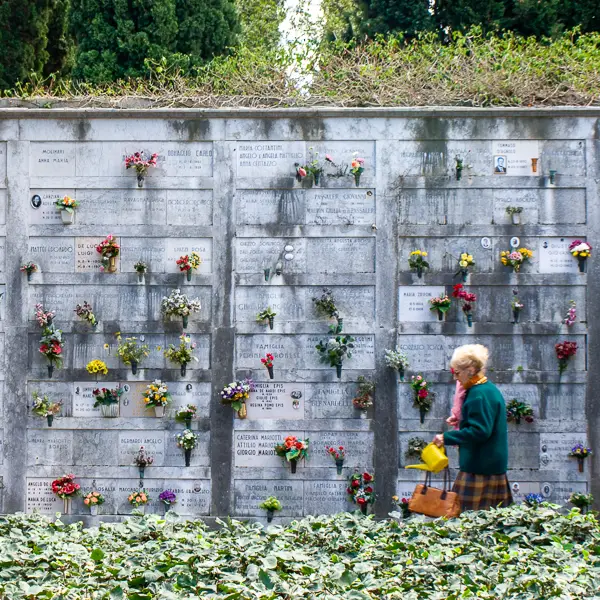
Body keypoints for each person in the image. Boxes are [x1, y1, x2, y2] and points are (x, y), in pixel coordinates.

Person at [433, 344, 512, 512]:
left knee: (463, 522)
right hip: (489, 466)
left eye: (457, 372)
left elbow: (480, 431)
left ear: (470, 369)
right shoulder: (486, 389)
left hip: (480, 469)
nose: (455, 378)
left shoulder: (478, 394)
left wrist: (446, 438)